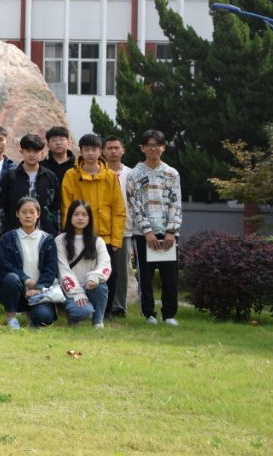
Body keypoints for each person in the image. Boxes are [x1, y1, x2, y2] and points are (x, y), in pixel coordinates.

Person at [60, 133, 125, 318]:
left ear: (100, 151)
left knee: (110, 273)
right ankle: (78, 306)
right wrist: (69, 234)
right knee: (78, 271)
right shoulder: (71, 175)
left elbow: (118, 209)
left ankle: (106, 311)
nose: (90, 153)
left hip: (105, 236)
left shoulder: (110, 176)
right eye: (86, 150)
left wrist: (116, 239)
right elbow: (66, 207)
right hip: (78, 234)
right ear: (80, 151)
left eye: (94, 149)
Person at [126, 129, 182, 326]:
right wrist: (147, 231)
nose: (153, 149)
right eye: (149, 145)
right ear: (142, 148)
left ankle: (169, 315)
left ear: (163, 148)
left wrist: (171, 231)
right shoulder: (134, 174)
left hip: (168, 233)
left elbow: (176, 203)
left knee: (170, 277)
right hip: (143, 234)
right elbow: (134, 205)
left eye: (157, 145)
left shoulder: (172, 173)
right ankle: (148, 314)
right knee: (146, 277)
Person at [0, 197, 59, 329]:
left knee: (43, 318)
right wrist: (26, 280)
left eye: (32, 212)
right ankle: (11, 317)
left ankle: (33, 313)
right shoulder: (8, 238)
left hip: (40, 291)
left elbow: (51, 269)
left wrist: (38, 288)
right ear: (17, 214)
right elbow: (5, 266)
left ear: (38, 214)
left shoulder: (47, 239)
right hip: (18, 291)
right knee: (10, 278)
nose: (28, 216)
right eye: (24, 212)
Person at [56, 200, 112, 328]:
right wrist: (77, 292)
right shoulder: (60, 240)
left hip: (90, 285)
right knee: (83, 312)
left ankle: (98, 321)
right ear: (70, 216)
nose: (80, 218)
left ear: (89, 218)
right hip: (70, 289)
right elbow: (63, 270)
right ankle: (74, 314)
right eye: (76, 214)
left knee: (101, 286)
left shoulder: (98, 241)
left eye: (84, 214)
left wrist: (94, 277)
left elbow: (105, 265)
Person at [0, 133, 61, 236]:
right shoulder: (10, 176)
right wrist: (3, 232)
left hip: (44, 233)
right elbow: (2, 207)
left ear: (42, 153)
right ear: (21, 152)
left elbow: (56, 208)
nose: (32, 155)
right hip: (15, 232)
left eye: (36, 151)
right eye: (28, 151)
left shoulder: (50, 176)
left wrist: (56, 231)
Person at [103, 135, 133, 317]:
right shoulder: (99, 172)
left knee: (122, 270)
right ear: (103, 151)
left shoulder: (131, 174)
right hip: (102, 228)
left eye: (116, 148)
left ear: (123, 150)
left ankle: (119, 306)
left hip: (125, 229)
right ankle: (101, 304)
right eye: (109, 148)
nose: (113, 151)